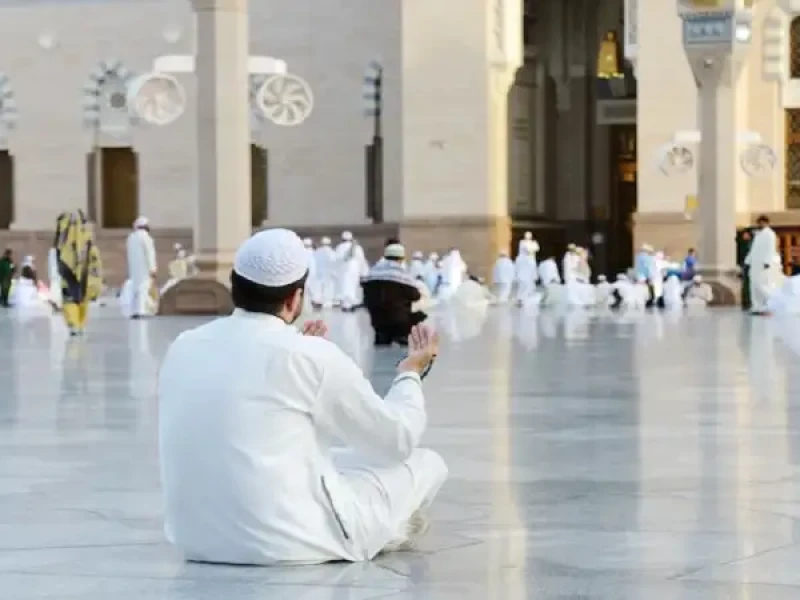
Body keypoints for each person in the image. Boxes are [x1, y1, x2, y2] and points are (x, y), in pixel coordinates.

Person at [158, 228, 446, 565]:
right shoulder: (308, 356)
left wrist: (303, 348)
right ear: (295, 298)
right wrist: (410, 372)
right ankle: (384, 533)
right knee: (424, 462)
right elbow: (397, 439)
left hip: (198, 541)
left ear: (235, 287)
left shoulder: (183, 346)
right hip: (291, 544)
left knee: (338, 457)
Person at [362, 243, 426, 346]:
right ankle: (401, 336)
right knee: (420, 315)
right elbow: (416, 296)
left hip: (377, 320)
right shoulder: (402, 275)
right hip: (398, 320)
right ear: (401, 258)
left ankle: (383, 336)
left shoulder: (373, 272)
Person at [55, 210, 102, 335]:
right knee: (78, 297)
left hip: (71, 269)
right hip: (79, 271)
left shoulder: (65, 232)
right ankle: (79, 324)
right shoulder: (85, 233)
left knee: (73, 297)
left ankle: (74, 323)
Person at [745, 215, 780, 315]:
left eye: (762, 222)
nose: (760, 224)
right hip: (755, 264)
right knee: (754, 286)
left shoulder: (770, 234)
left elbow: (770, 248)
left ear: (766, 223)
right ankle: (757, 307)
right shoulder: (758, 234)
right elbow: (753, 250)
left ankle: (771, 304)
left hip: (763, 264)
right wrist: (747, 261)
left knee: (762, 285)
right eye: (759, 222)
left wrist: (767, 261)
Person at [125, 216, 158, 319]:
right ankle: (141, 310)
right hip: (144, 267)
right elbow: (149, 254)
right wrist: (153, 268)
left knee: (135, 288)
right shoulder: (146, 238)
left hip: (134, 268)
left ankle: (134, 310)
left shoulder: (131, 237)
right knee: (143, 288)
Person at [313, 237, 337, 308]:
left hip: (319, 273)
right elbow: (334, 263)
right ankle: (327, 303)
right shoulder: (332, 252)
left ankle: (318, 301)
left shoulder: (317, 252)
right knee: (328, 289)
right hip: (328, 274)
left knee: (319, 288)